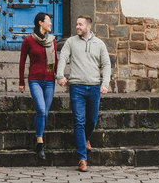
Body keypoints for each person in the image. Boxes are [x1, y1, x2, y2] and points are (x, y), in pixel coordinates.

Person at [56, 15, 111, 172]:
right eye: (77, 24)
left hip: (94, 87)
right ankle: (82, 159)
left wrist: (105, 83)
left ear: (89, 27)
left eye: (80, 24)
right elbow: (63, 58)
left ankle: (86, 138)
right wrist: (60, 75)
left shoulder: (99, 44)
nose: (77, 27)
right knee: (79, 121)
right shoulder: (71, 42)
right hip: (76, 87)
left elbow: (106, 64)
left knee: (92, 120)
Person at [18, 11, 58, 161]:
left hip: (49, 81)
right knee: (41, 109)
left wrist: (59, 76)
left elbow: (55, 60)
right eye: (48, 21)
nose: (51, 24)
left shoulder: (52, 40)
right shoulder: (28, 41)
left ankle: (37, 137)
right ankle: (40, 142)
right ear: (40, 23)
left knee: (45, 113)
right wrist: (21, 82)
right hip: (34, 80)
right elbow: (22, 62)